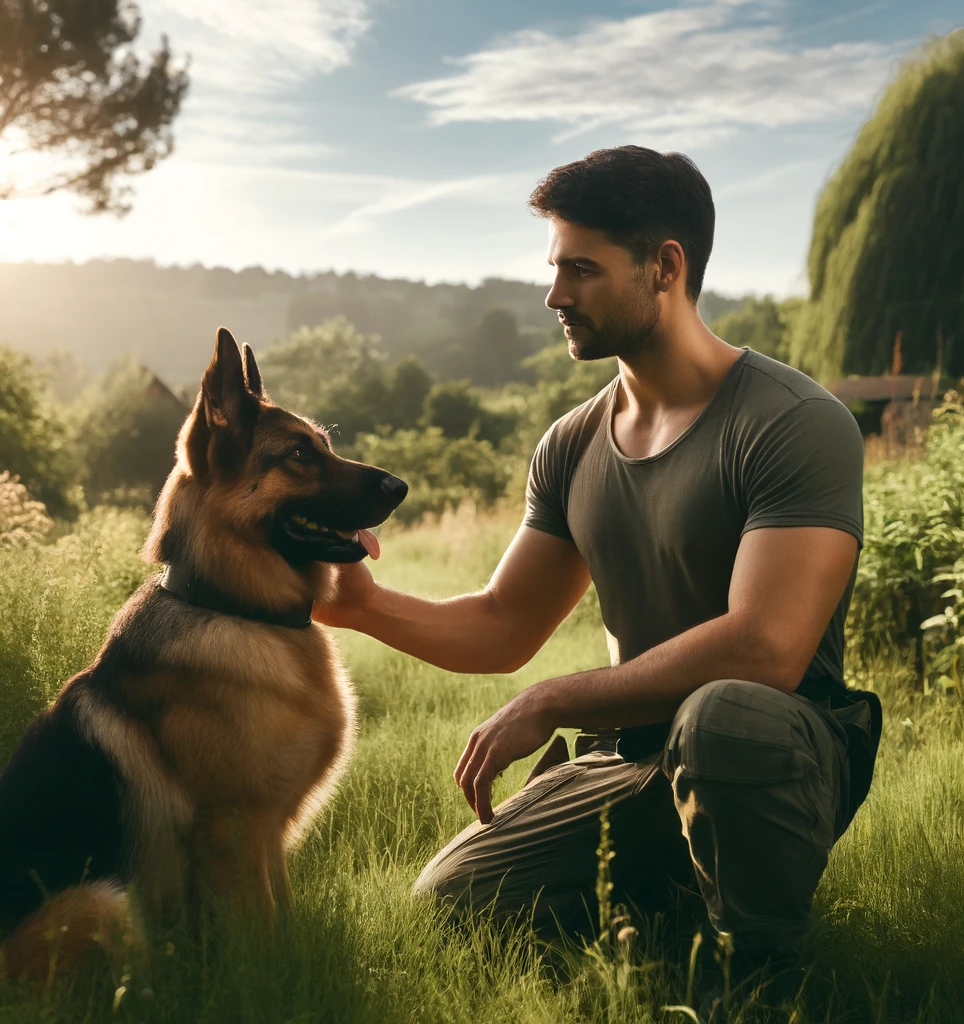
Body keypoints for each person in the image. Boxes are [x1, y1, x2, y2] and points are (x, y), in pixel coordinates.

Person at [313, 146, 882, 968]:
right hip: (628, 757)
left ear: (665, 267)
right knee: (448, 907)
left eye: (581, 270)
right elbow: (504, 623)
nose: (555, 295)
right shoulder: (571, 444)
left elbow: (768, 648)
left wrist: (554, 700)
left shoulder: (793, 422)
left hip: (779, 750)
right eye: (555, 268)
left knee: (723, 716)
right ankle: (668, 909)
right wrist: (354, 603)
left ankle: (757, 972)